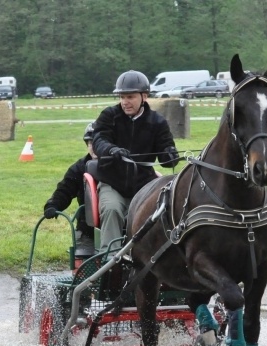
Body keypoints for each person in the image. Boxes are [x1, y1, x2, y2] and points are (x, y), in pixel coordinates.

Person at [91, 70, 178, 251]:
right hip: (112, 184)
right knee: (112, 210)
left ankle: (149, 258)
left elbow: (166, 156)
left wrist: (170, 155)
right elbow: (99, 140)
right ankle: (110, 259)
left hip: (144, 187)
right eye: (122, 97)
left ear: (144, 96)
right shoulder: (109, 116)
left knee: (158, 213)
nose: (125, 102)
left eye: (130, 97)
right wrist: (111, 149)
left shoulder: (158, 122)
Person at [42, 122, 97, 257]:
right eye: (90, 143)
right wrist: (53, 205)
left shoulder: (118, 166)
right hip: (88, 229)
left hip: (121, 229)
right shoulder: (79, 168)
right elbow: (65, 190)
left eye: (98, 143)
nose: (94, 147)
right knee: (85, 264)